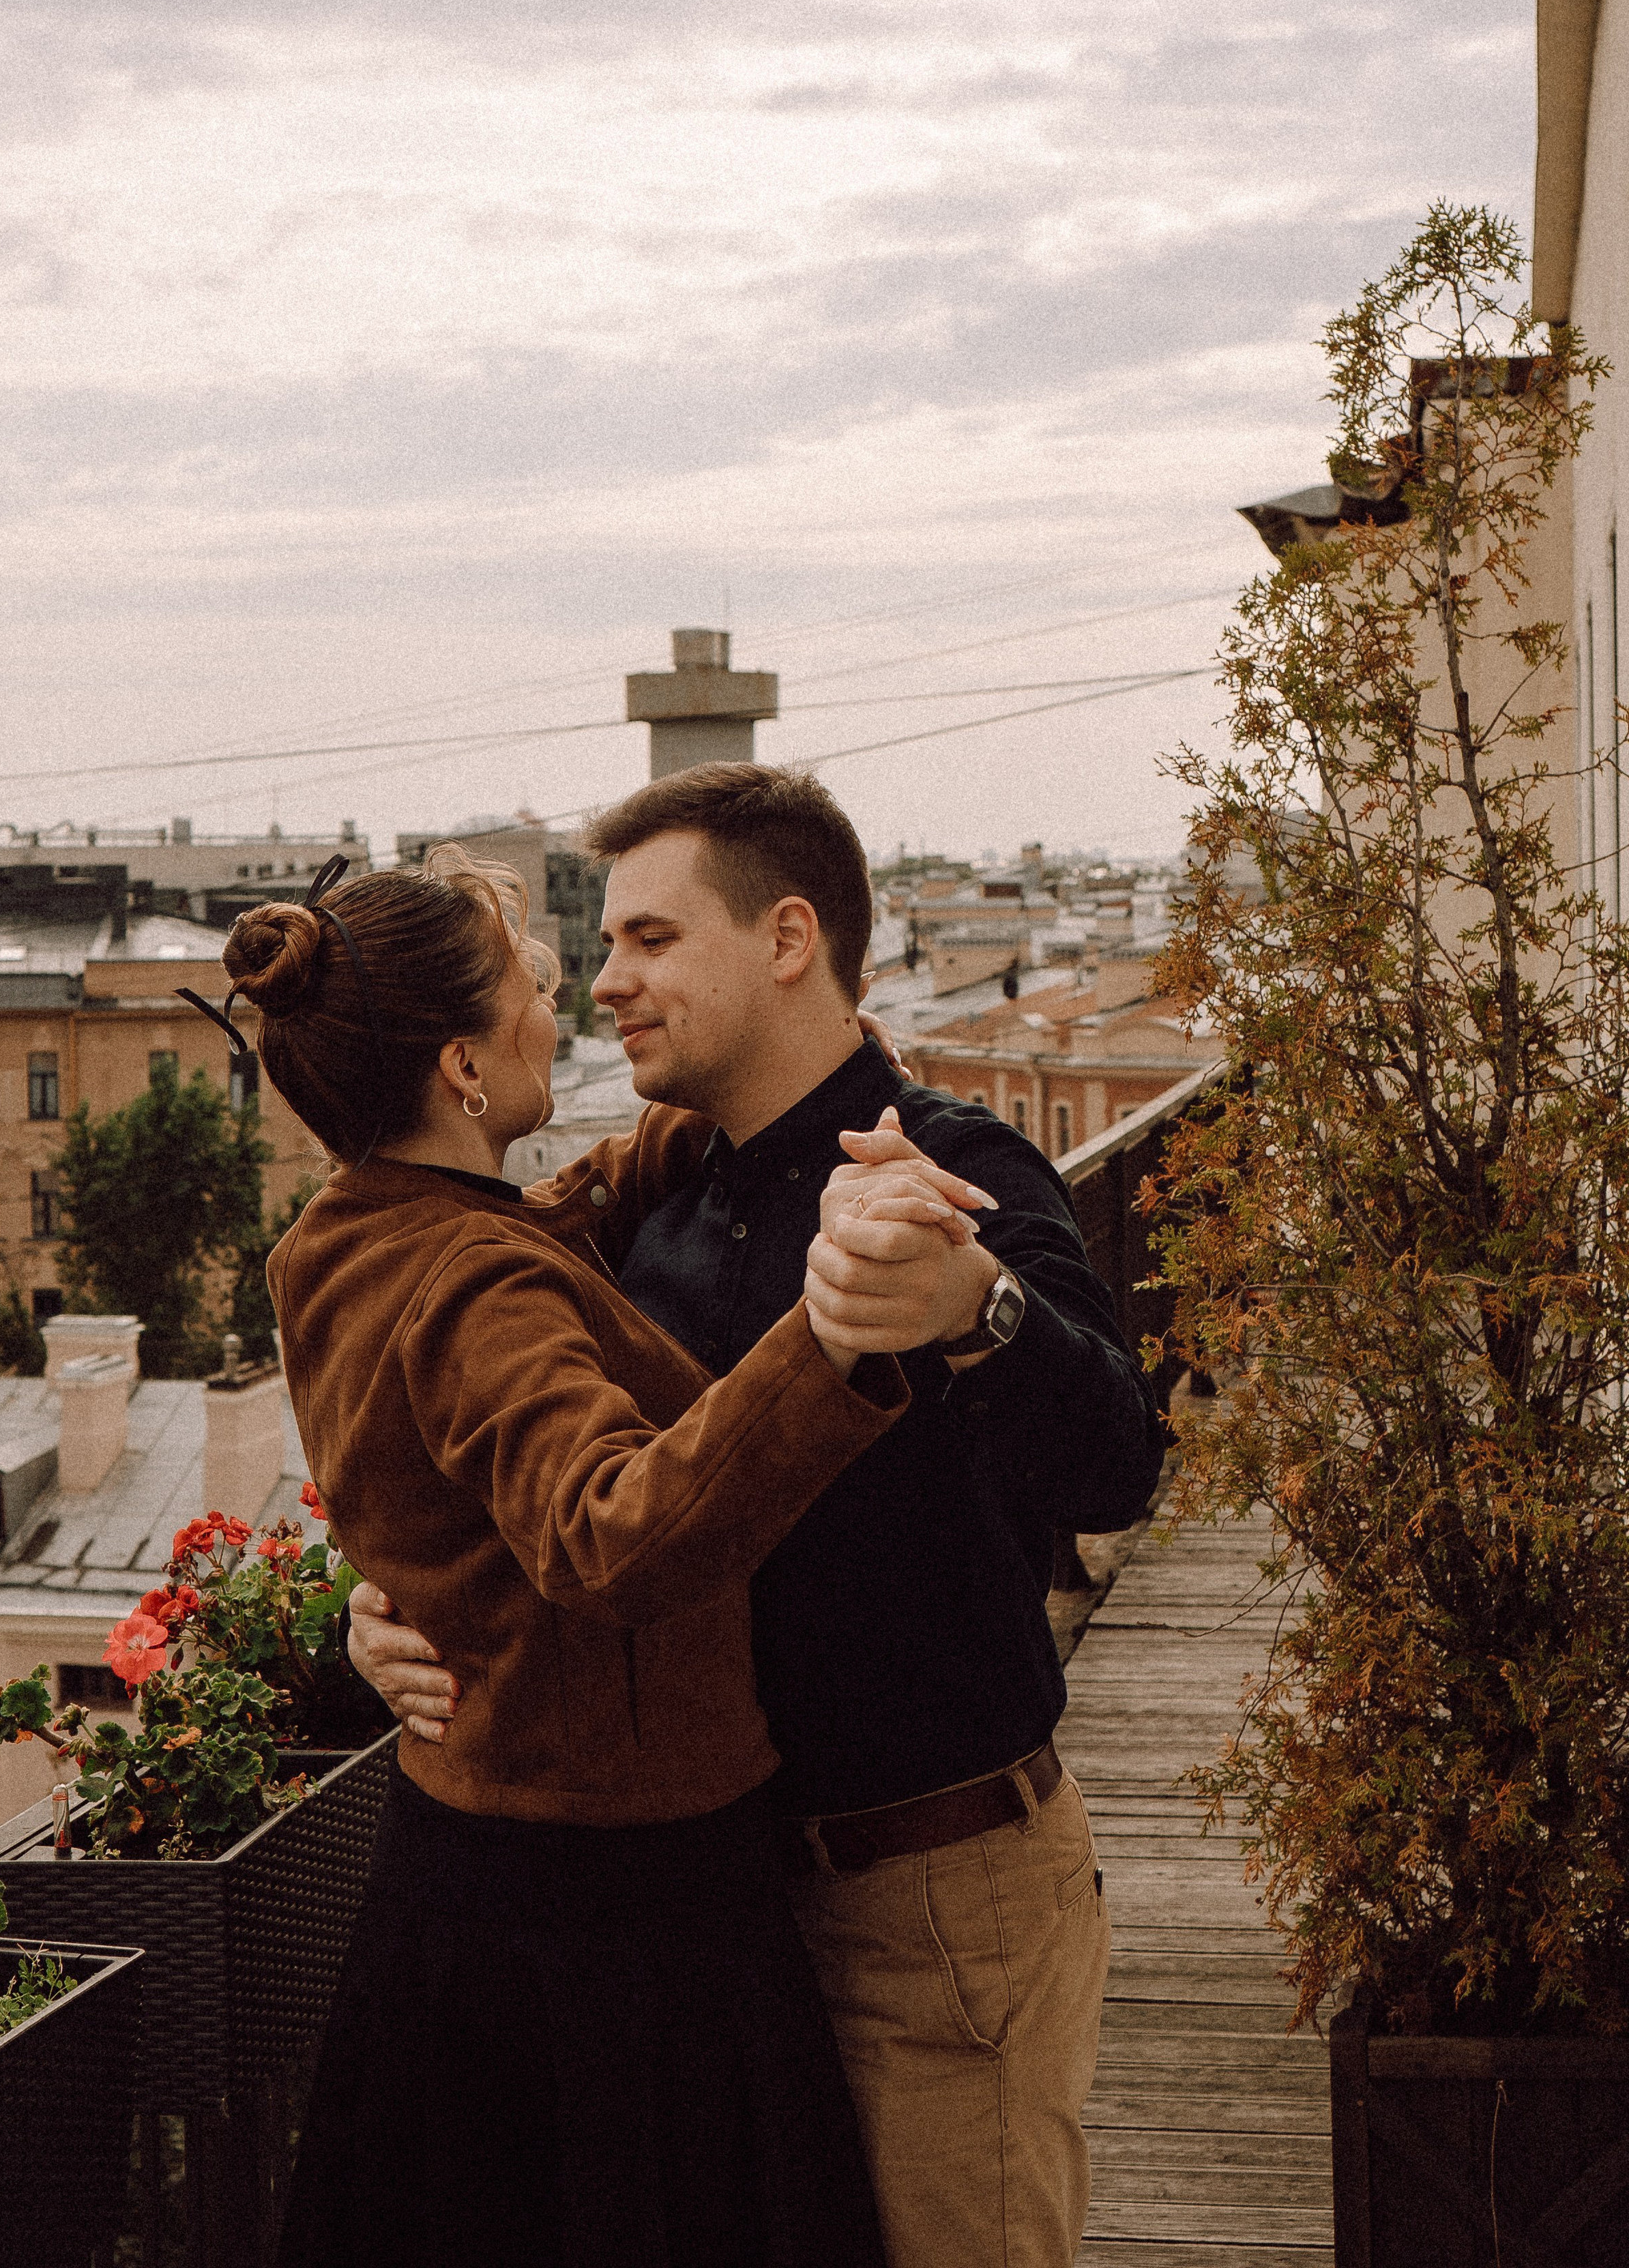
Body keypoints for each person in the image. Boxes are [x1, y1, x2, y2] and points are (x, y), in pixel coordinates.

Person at [351, 764, 1167, 2268]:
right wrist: (392, 1604)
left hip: (930, 1907)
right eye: (602, 949)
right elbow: (532, 1468)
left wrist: (975, 1313)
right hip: (696, 1927)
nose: (604, 985)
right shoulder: (649, 1212)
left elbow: (1119, 1466)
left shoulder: (952, 1172)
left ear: (787, 937)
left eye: (650, 941)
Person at [217, 844, 987, 2268]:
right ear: (461, 1065)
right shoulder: (472, 1282)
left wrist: (776, 1078)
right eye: (529, 985)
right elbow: (609, 1533)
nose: (559, 1005)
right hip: (618, 1934)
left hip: (465, 1892)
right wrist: (827, 1336)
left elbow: (544, 1232)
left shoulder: (345, 1239)